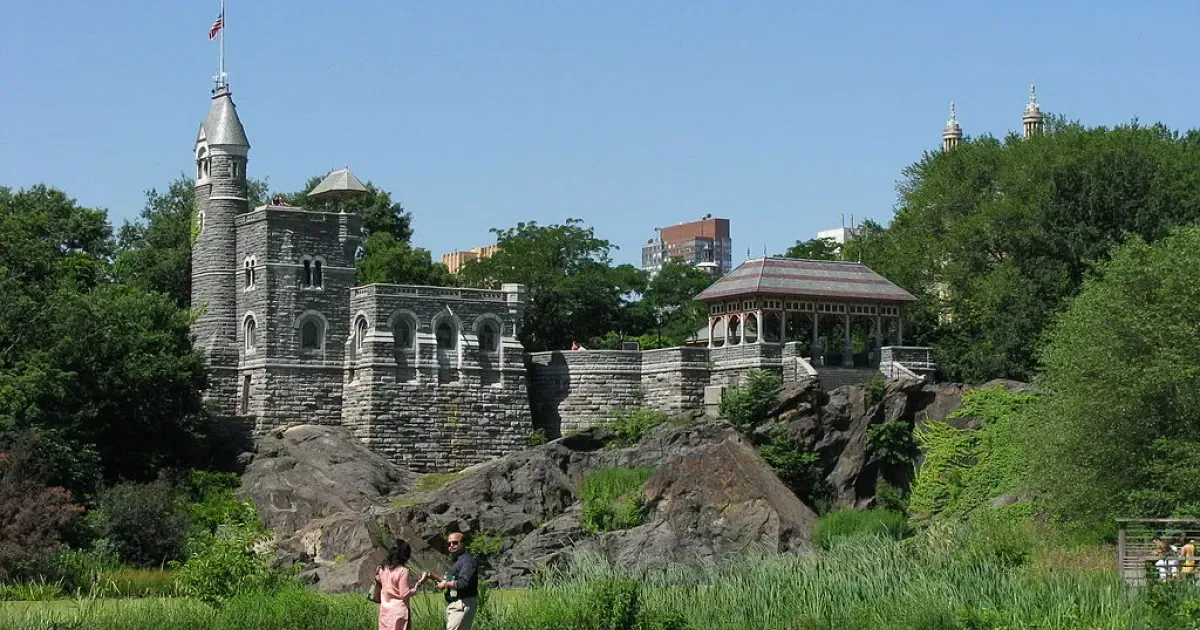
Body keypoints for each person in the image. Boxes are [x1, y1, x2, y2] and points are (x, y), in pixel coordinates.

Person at [376, 539, 431, 630]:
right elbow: (404, 594)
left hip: (385, 611)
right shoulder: (402, 571)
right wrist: (418, 584)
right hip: (398, 612)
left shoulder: (382, 569)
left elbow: (388, 587)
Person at [433, 532, 479, 630]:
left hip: (463, 602)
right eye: (449, 544)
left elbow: (464, 583)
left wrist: (445, 583)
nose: (451, 546)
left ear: (463, 544)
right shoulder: (458, 561)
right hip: (457, 603)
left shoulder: (467, 561)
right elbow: (452, 580)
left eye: (455, 543)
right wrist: (434, 577)